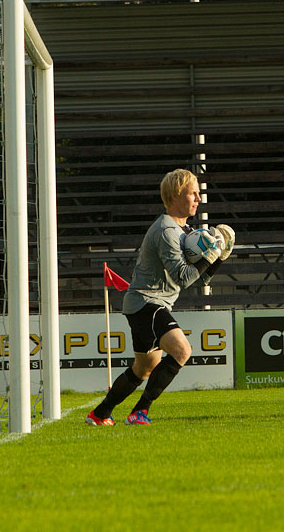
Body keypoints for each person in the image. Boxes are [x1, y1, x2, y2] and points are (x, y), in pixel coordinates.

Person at [86, 169, 234, 426]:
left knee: (143, 368)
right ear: (177, 194)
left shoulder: (183, 229)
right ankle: (140, 411)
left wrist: (219, 256)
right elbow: (184, 278)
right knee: (182, 350)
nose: (198, 198)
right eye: (193, 193)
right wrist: (209, 256)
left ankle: (99, 414)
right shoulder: (167, 231)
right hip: (147, 302)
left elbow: (202, 279)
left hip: (144, 303)